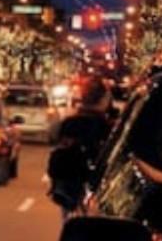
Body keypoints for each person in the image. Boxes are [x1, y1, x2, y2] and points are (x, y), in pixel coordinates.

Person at [47, 79, 114, 215]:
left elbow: (56, 140)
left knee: (70, 218)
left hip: (68, 184)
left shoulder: (70, 122)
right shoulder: (106, 126)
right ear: (103, 100)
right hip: (94, 183)